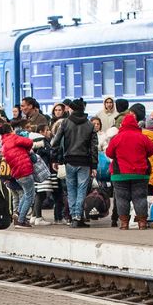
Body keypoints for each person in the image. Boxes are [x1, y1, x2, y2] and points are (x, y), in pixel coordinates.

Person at [51, 97, 97, 228]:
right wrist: (94, 165)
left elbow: (55, 142)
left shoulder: (65, 123)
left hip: (69, 160)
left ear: (72, 109)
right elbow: (94, 147)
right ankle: (78, 216)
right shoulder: (90, 125)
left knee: (71, 189)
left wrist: (55, 159)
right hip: (84, 161)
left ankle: (72, 216)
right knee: (82, 189)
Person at [105, 112, 153, 230]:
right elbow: (152, 149)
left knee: (122, 198)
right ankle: (142, 223)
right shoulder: (142, 137)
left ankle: (124, 223)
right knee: (140, 197)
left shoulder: (117, 137)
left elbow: (109, 153)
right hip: (140, 174)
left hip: (120, 174)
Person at [0, 122, 37, 227]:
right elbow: (29, 142)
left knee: (26, 193)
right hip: (25, 169)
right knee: (30, 195)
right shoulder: (13, 138)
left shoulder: (4, 143)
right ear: (10, 129)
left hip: (16, 172)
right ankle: (21, 219)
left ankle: (18, 214)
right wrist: (26, 150)